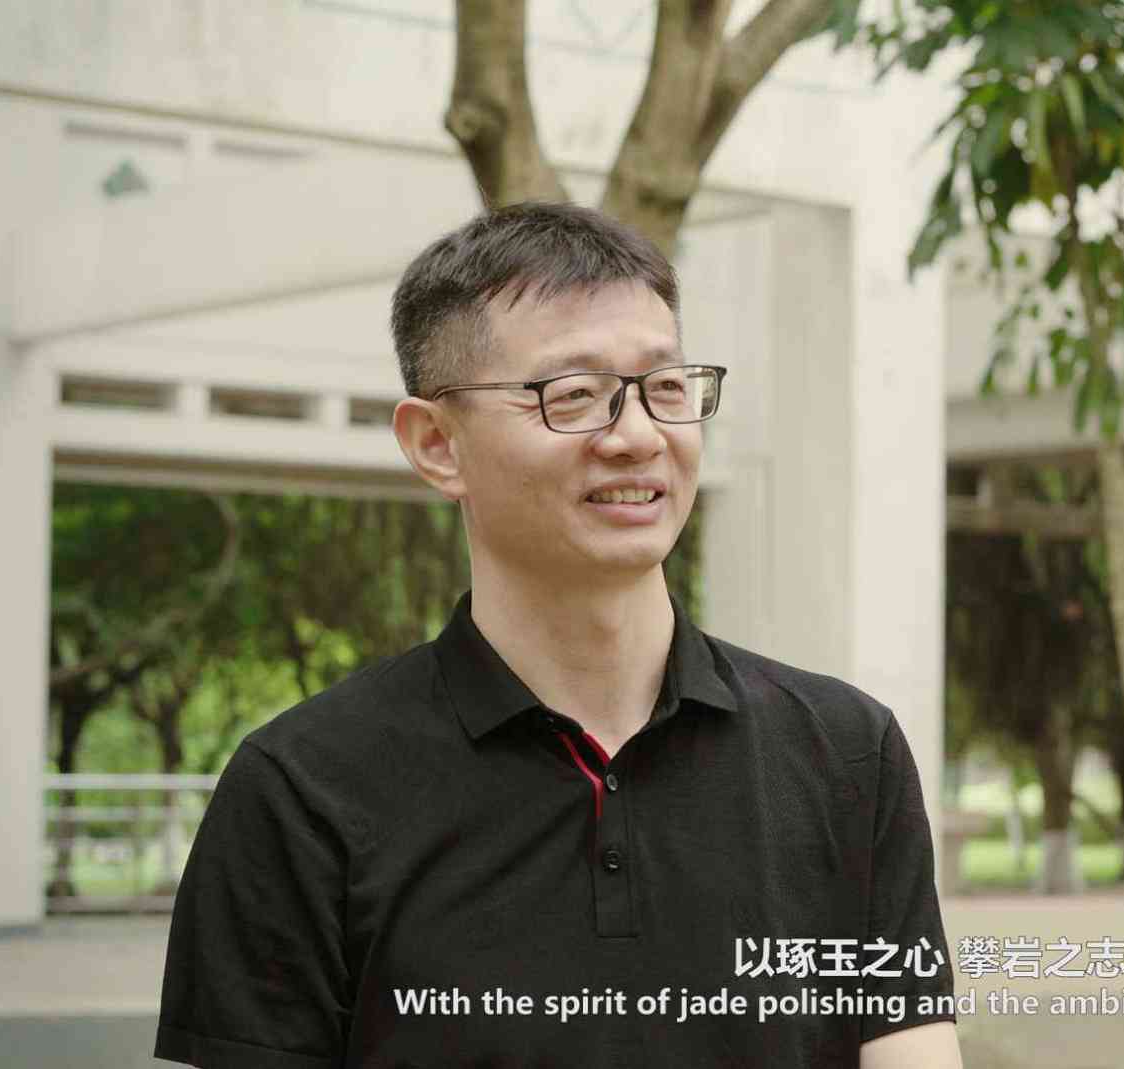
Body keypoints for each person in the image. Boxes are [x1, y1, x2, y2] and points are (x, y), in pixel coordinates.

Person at [154, 203, 962, 1068]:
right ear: (437, 444)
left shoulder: (848, 754)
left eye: (665, 388)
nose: (638, 436)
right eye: (573, 395)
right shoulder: (299, 791)